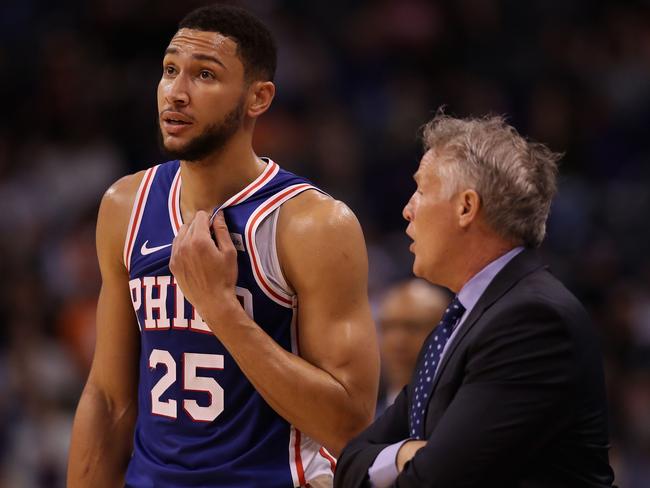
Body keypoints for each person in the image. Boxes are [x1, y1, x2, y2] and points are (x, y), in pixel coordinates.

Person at [67, 5, 379, 488]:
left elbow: (349, 425)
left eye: (205, 75)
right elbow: (108, 400)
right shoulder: (125, 205)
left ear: (258, 98)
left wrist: (222, 310)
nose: (176, 92)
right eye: (170, 71)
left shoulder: (312, 225)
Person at [334, 113, 615, 487]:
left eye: (420, 190)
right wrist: (403, 453)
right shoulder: (461, 320)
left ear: (466, 207)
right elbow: (350, 460)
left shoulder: (533, 321)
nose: (407, 209)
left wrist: (403, 460)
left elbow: (433, 481)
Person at [375, 280, 450, 416]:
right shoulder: (365, 420)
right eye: (387, 327)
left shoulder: (459, 414)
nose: (397, 342)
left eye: (413, 327)